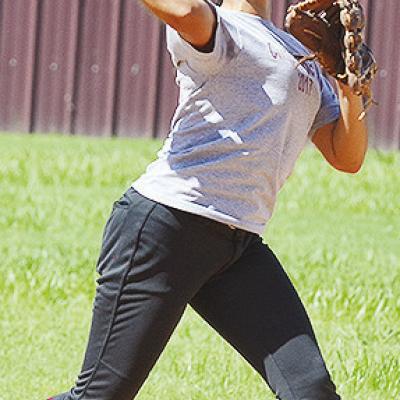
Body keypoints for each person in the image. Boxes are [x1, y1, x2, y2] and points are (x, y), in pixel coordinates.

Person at [49, 0, 368, 399]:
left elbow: (347, 157)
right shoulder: (223, 29)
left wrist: (347, 86)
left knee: (310, 388)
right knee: (101, 394)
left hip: (237, 247)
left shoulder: (299, 54)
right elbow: (185, 14)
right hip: (166, 228)